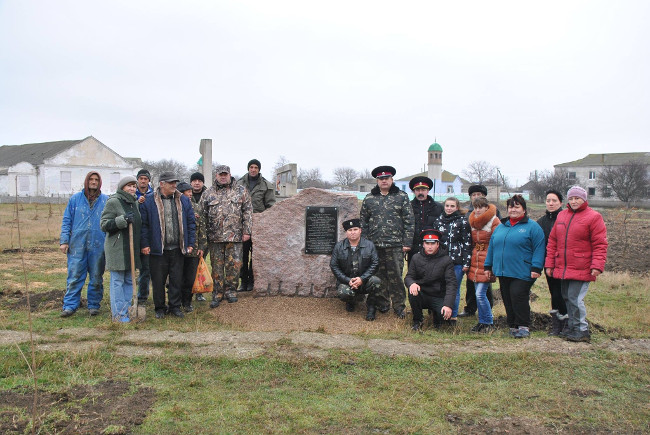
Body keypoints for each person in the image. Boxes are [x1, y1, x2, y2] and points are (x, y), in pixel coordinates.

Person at [545, 186, 607, 343]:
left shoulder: (593, 217)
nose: (574, 201)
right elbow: (553, 241)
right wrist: (550, 264)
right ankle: (572, 327)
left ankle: (581, 329)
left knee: (575, 298)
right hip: (563, 267)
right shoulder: (562, 216)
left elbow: (600, 244)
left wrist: (597, 265)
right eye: (571, 198)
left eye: (577, 198)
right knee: (567, 297)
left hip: (582, 266)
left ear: (584, 199)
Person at [484, 195, 545, 338]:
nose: (513, 209)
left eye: (517, 206)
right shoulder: (501, 227)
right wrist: (488, 266)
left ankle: (523, 326)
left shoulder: (532, 227)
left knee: (518, 295)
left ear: (524, 209)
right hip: (503, 270)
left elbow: (539, 248)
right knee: (507, 297)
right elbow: (492, 247)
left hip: (523, 270)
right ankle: (512, 326)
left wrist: (536, 267)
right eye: (511, 207)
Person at [360, 166, 414, 319]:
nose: (384, 181)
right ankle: (383, 304)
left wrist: (407, 243)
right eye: (381, 179)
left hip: (395, 245)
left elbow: (409, 222)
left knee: (396, 276)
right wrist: (365, 244)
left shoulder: (401, 197)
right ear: (377, 181)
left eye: (387, 178)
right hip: (374, 245)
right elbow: (363, 222)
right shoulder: (369, 198)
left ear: (392, 180)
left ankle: (399, 306)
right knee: (378, 277)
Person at [140, 172, 196, 319]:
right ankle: (159, 307)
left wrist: (190, 243)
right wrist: (145, 244)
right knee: (158, 280)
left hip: (178, 248)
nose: (174, 185)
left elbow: (191, 222)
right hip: (158, 249)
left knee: (176, 279)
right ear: (161, 184)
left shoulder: (183, 200)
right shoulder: (149, 201)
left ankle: (175, 306)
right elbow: (144, 226)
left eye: (175, 182)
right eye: (170, 182)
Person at [202, 165, 253, 308]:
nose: (223, 177)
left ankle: (231, 291)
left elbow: (248, 212)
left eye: (225, 174)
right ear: (216, 176)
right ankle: (217, 293)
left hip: (235, 236)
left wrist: (247, 231)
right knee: (217, 267)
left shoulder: (241, 191)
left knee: (234, 266)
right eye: (220, 174)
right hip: (215, 237)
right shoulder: (208, 193)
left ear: (230, 175)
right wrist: (204, 235)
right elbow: (203, 214)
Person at [59, 171, 108, 317]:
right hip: (77, 244)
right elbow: (67, 220)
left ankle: (93, 305)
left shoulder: (106, 200)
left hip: (99, 244)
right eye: (91, 179)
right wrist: (64, 241)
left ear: (100, 183)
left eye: (96, 180)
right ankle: (70, 306)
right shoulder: (75, 199)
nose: (93, 182)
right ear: (86, 181)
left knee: (96, 276)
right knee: (74, 276)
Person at [100, 176, 141, 322]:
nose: (132, 189)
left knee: (130, 280)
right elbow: (104, 224)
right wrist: (122, 220)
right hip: (117, 248)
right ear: (122, 187)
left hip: (131, 247)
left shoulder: (134, 202)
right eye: (129, 186)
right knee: (118, 281)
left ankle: (127, 310)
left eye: (134, 186)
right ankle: (118, 314)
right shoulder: (113, 201)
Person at [458, 184, 498, 318]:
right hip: (473, 253)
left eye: (478, 195)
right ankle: (470, 308)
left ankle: (487, 313)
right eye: (473, 195)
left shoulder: (494, 215)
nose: (476, 197)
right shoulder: (469, 214)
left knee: (484, 283)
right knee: (471, 282)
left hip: (486, 253)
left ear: (484, 198)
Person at [430, 197, 471, 325]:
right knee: (440, 288)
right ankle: (440, 314)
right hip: (440, 260)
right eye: (447, 206)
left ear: (457, 207)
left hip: (456, 261)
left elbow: (467, 243)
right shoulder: (438, 222)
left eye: (452, 206)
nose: (449, 208)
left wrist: (466, 262)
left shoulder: (462, 222)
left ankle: (452, 316)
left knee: (454, 289)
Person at [404, 229, 455, 331]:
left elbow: (451, 284)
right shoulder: (416, 258)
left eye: (433, 243)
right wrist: (412, 283)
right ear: (423, 244)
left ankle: (437, 316)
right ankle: (418, 320)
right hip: (421, 294)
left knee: (443, 321)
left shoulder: (446, 260)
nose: (430, 246)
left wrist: (448, 305)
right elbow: (408, 277)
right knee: (413, 292)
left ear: (438, 244)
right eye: (427, 243)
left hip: (438, 295)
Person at [237, 159, 276, 291]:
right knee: (242, 254)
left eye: (255, 167)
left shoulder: (266, 185)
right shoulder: (239, 183)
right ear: (248, 168)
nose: (253, 169)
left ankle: (253, 281)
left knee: (256, 255)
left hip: (259, 225)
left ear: (259, 169)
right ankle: (243, 281)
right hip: (241, 225)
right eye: (251, 167)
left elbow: (271, 206)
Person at [330, 218, 381, 318]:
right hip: (347, 281)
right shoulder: (339, 246)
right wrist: (348, 280)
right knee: (343, 292)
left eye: (355, 229)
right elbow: (334, 266)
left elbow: (375, 264)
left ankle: (371, 307)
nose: (352, 232)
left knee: (376, 281)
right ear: (346, 232)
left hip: (365, 281)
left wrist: (362, 279)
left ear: (360, 230)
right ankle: (351, 301)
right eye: (350, 230)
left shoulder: (369, 245)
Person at [466, 197, 501, 332]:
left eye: (480, 207)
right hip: (475, 258)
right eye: (475, 207)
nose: (478, 210)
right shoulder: (472, 221)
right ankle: (482, 322)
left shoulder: (494, 221)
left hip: (487, 257)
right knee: (477, 293)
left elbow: (496, 241)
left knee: (480, 294)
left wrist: (492, 262)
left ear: (487, 207)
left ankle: (488, 322)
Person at [536, 189, 568, 336]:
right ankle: (557, 325)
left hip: (565, 263)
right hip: (549, 264)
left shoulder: (566, 218)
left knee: (564, 294)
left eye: (554, 200)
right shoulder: (541, 222)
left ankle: (568, 323)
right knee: (554, 293)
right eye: (548, 200)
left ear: (561, 203)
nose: (551, 203)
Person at [177, 181, 207, 312]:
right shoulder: (175, 207)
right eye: (186, 192)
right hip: (178, 249)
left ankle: (187, 302)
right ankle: (176, 302)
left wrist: (201, 246)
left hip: (194, 249)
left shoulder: (197, 207)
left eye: (190, 192)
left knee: (190, 278)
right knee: (177, 277)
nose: (189, 194)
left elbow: (202, 229)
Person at [407, 176, 443, 264]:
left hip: (432, 246)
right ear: (414, 191)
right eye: (417, 190)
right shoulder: (408, 207)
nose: (420, 193)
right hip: (414, 247)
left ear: (427, 191)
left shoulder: (438, 207)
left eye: (423, 190)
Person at [135, 169, 153, 305]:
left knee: (149, 269)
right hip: (136, 236)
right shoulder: (131, 194)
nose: (143, 181)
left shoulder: (152, 195)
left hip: (151, 236)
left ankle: (145, 296)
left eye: (145, 179)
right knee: (142, 269)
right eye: (140, 178)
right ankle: (140, 296)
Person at [190, 172, 208, 302]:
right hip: (190, 236)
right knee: (189, 265)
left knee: (201, 264)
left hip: (204, 235)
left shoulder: (209, 194)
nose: (197, 183)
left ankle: (199, 291)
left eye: (199, 181)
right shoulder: (184, 194)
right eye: (194, 180)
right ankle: (188, 289)